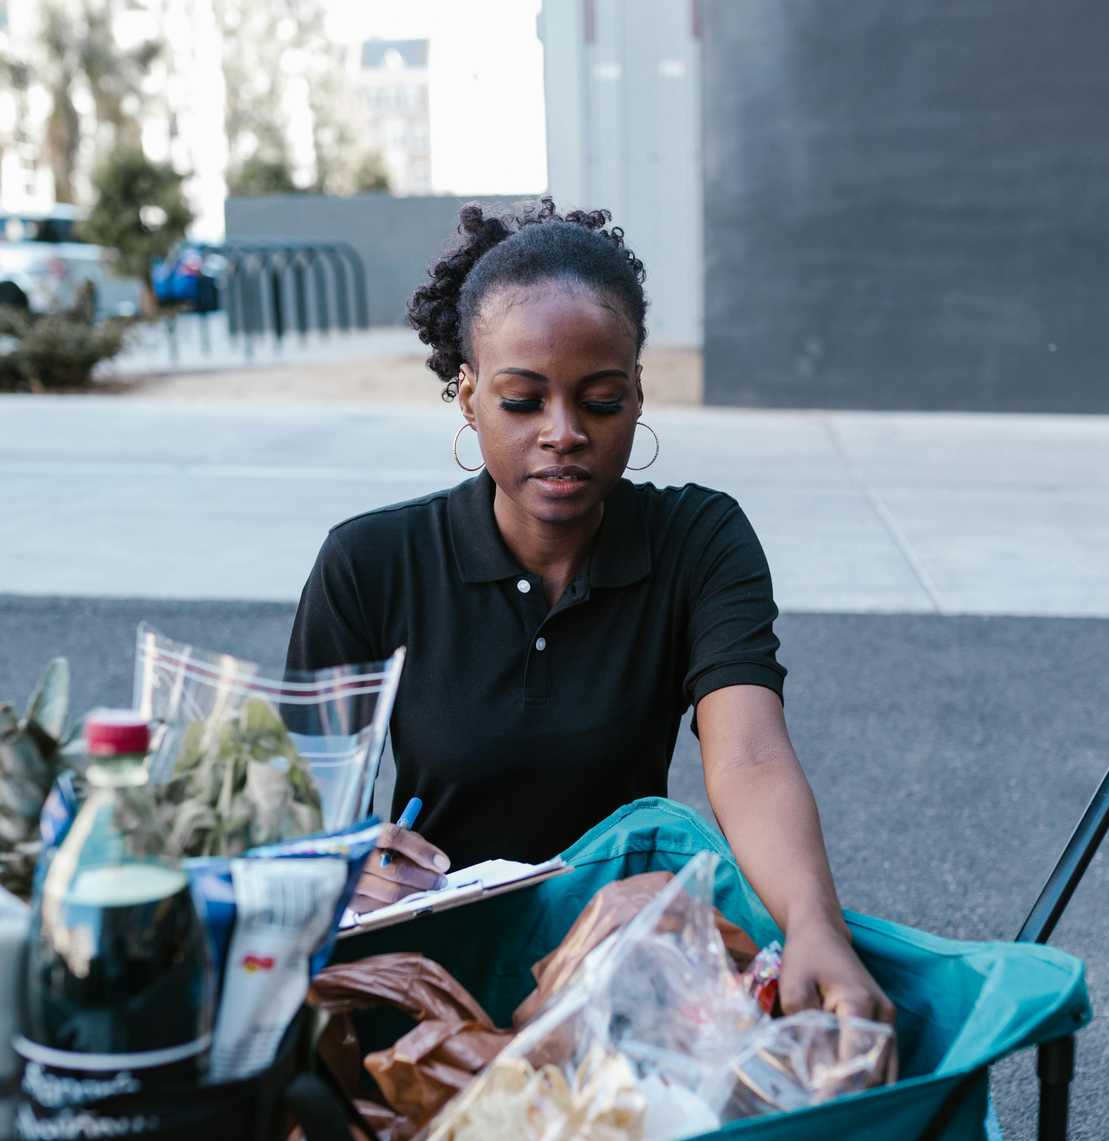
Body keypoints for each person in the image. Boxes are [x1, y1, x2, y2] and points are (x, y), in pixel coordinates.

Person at [287, 199, 893, 1027]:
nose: (563, 433)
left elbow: (748, 757)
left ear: (638, 396)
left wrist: (817, 928)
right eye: (522, 402)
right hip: (430, 968)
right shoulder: (372, 564)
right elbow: (296, 819)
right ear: (468, 400)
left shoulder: (697, 542)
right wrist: (344, 863)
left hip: (623, 965)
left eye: (600, 400)